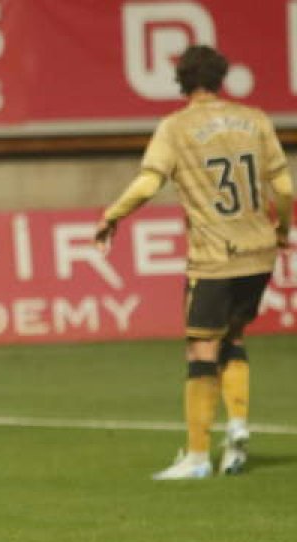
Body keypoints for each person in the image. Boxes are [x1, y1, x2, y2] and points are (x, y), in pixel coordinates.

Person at [96, 45, 292, 480]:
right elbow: (284, 185)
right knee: (234, 337)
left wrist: (114, 215)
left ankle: (199, 456)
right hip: (258, 251)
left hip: (214, 258)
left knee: (200, 348)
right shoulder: (256, 119)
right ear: (222, 77)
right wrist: (282, 231)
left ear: (182, 81)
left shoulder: (176, 128)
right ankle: (237, 428)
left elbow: (149, 182)